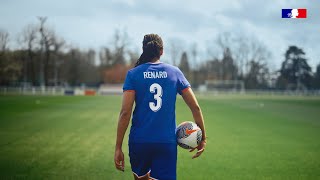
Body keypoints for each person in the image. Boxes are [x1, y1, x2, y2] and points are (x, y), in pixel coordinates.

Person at [114, 34, 206, 180]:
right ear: (161, 51)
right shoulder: (174, 73)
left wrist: (118, 147)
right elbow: (195, 107)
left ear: (143, 49)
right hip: (166, 142)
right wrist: (203, 138)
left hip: (139, 142)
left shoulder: (133, 74)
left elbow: (125, 113)